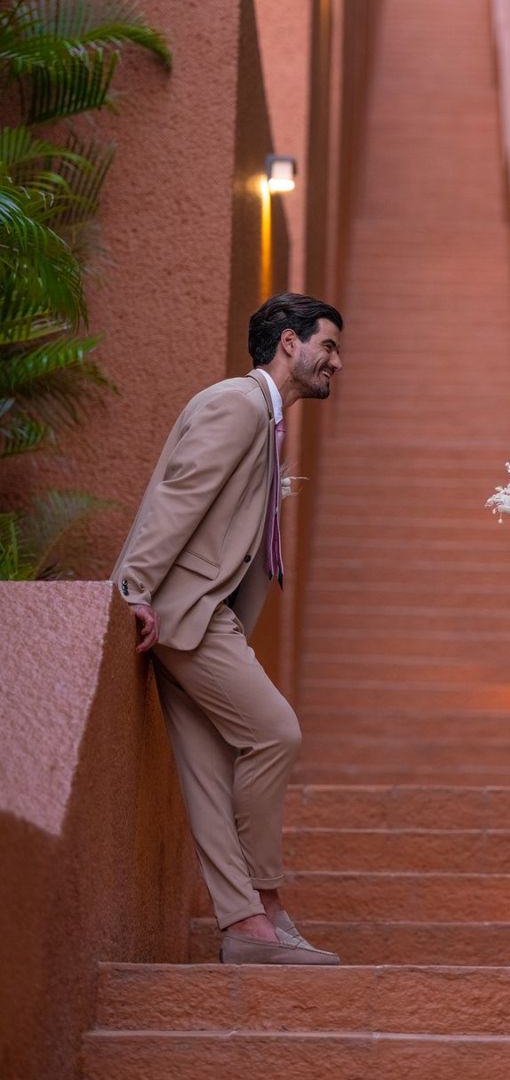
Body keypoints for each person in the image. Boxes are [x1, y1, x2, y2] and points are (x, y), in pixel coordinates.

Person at [112, 293, 344, 966]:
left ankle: (245, 928)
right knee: (275, 733)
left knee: (208, 772)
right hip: (186, 612)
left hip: (203, 616)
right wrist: (134, 588)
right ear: (290, 344)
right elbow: (180, 495)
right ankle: (266, 899)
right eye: (327, 345)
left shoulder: (263, 418)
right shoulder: (237, 405)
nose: (336, 361)